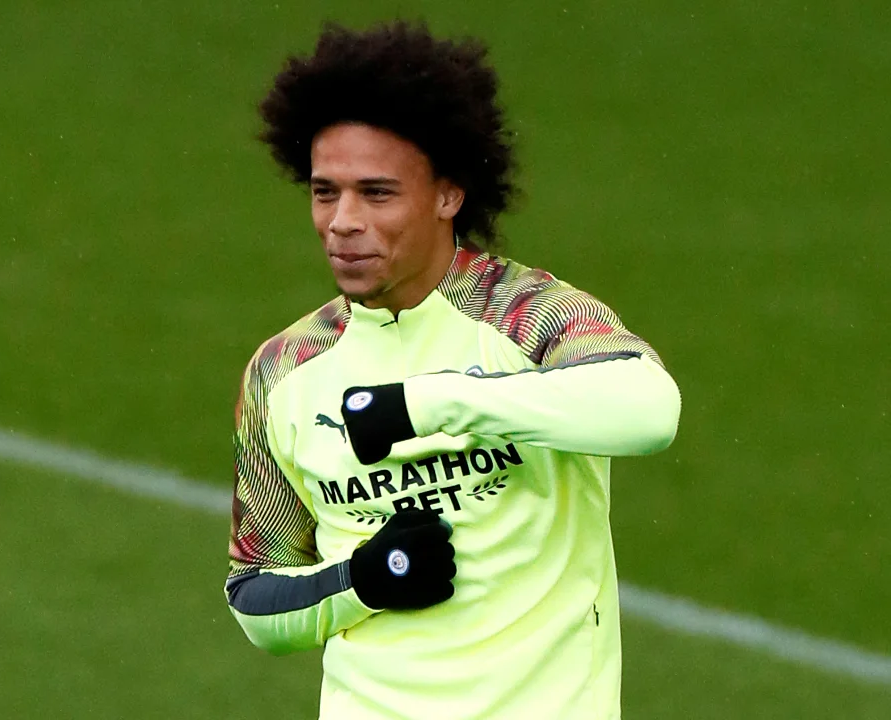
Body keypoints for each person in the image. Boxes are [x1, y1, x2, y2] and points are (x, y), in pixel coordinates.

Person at [223, 21, 682, 720]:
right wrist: (362, 581)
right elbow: (255, 597)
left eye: (377, 193)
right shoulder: (285, 371)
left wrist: (429, 406)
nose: (342, 221)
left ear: (448, 194)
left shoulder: (529, 315)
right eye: (325, 192)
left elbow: (649, 411)